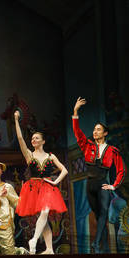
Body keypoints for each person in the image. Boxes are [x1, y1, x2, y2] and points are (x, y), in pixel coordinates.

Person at [72, 97, 127, 253]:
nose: (95, 132)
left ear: (105, 133)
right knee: (98, 217)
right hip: (90, 185)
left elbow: (122, 169)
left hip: (103, 184)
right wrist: (75, 112)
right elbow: (77, 132)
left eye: (98, 129)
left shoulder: (112, 150)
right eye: (94, 129)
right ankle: (103, 247)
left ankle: (96, 245)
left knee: (103, 212)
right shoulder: (87, 145)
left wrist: (114, 185)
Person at [14, 111, 68, 254]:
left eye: (37, 138)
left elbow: (64, 170)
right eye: (32, 138)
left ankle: (34, 239)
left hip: (48, 187)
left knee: (44, 212)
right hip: (33, 187)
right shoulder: (29, 155)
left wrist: (56, 182)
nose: (34, 140)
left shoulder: (51, 156)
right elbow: (20, 138)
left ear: (43, 141)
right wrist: (15, 119)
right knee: (43, 218)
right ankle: (49, 249)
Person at [0, 160, 28, 255]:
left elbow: (17, 203)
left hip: (4, 223)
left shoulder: (7, 187)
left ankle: (19, 251)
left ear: (2, 171)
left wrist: (26, 199)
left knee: (8, 252)